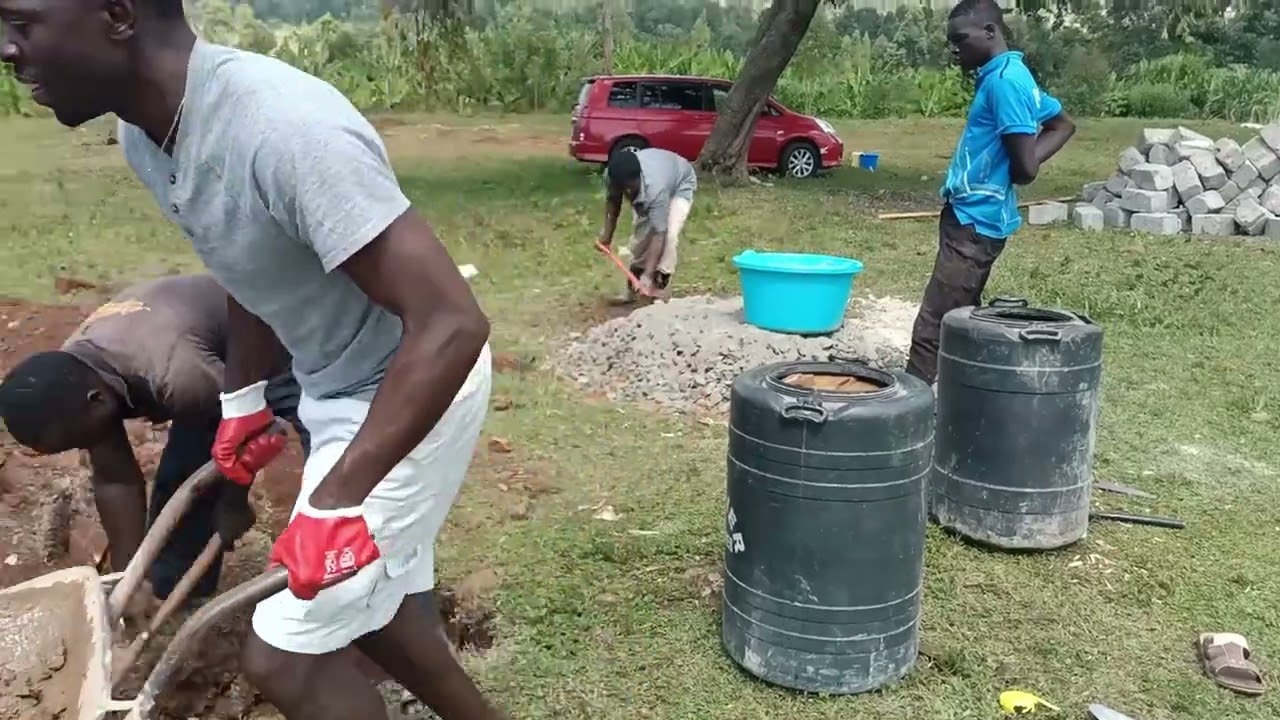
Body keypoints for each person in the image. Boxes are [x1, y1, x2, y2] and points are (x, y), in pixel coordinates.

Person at [0, 2, 502, 718]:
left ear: (116, 14)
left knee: (283, 659)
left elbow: (453, 323)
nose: (8, 50)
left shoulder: (283, 129)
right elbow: (248, 274)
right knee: (374, 604)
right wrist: (243, 403)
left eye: (23, 22)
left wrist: (335, 498)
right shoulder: (150, 139)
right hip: (336, 383)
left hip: (412, 388)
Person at [0, 273, 305, 607]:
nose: (84, 448)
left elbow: (245, 431)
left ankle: (337, 590)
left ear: (96, 401)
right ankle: (176, 591)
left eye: (77, 441)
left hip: (279, 340)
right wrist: (127, 582)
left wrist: (232, 505)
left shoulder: (176, 376)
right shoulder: (77, 376)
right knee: (184, 479)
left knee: (333, 457)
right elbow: (115, 479)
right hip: (209, 361)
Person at [904, 0, 1076, 385]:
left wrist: (1012, 168)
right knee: (960, 313)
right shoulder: (1007, 73)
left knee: (935, 323)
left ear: (990, 32)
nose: (954, 50)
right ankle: (960, 394)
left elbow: (1026, 169)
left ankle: (905, 411)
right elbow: (1062, 124)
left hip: (975, 220)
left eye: (959, 39)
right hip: (972, 216)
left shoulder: (1005, 83)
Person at [597, 147, 697, 303]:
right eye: (625, 190)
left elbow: (660, 232)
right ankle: (631, 291)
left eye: (631, 188)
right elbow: (613, 202)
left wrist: (648, 274)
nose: (628, 193)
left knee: (669, 236)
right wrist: (606, 237)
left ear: (638, 179)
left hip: (680, 183)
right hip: (659, 177)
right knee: (641, 241)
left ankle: (656, 290)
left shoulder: (655, 188)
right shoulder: (613, 175)